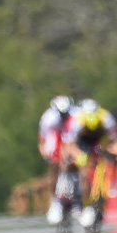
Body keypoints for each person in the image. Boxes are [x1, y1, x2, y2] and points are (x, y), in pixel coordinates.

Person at [66, 98, 117, 228]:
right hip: (83, 140)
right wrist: (78, 157)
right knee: (84, 172)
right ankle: (86, 204)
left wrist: (115, 152)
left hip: (102, 138)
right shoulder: (76, 121)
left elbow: (115, 140)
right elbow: (70, 145)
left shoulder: (106, 118)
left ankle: (106, 191)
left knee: (106, 162)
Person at [38, 95, 77, 224]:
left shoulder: (75, 115)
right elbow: (43, 139)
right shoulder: (48, 118)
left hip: (71, 139)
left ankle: (78, 200)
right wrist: (45, 154)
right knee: (54, 168)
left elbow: (74, 140)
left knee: (75, 166)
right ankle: (55, 201)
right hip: (55, 138)